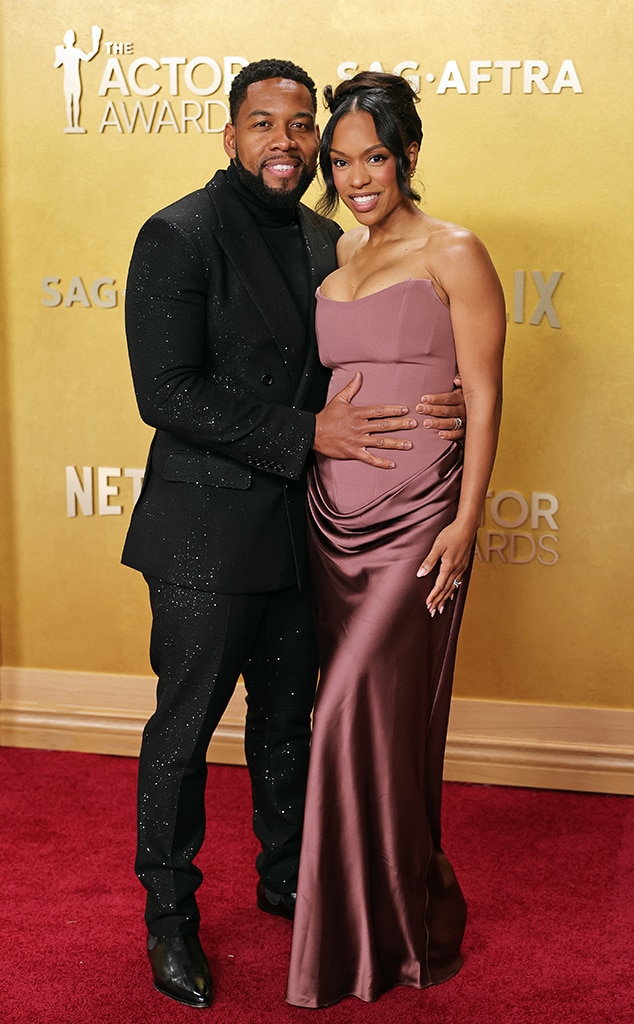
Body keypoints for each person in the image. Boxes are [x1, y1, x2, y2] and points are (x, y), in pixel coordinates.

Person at [122, 59, 466, 1010]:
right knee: (184, 731)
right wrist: (305, 434)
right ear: (230, 134)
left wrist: (440, 399)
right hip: (203, 537)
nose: (286, 141)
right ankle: (170, 919)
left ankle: (286, 878)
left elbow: (370, 348)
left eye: (301, 124)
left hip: (305, 528)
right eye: (263, 123)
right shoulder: (178, 234)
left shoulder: (330, 238)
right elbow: (167, 392)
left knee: (287, 726)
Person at [286, 72, 506, 1008]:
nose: (356, 178)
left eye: (374, 157)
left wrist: (466, 519)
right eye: (341, 162)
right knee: (366, 724)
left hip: (420, 512)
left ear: (408, 155)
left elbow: (484, 395)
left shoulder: (455, 250)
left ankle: (379, 928)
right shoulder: (334, 249)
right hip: (330, 517)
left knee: (350, 713)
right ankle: (411, 907)